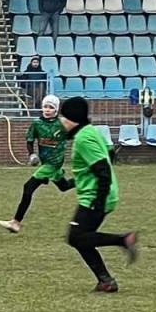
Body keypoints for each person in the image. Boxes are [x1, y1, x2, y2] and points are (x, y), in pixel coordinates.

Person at [59, 96, 138, 293]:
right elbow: (109, 154)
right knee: (81, 238)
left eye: (63, 117)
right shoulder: (91, 132)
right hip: (102, 193)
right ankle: (105, 281)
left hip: (97, 197)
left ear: (72, 119)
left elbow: (102, 168)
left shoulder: (83, 138)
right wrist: (70, 182)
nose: (61, 121)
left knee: (75, 237)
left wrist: (98, 200)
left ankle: (123, 240)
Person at [0, 94, 75, 233]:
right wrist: (32, 154)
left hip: (53, 163)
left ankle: (16, 222)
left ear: (56, 110)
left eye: (51, 107)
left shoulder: (62, 124)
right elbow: (29, 140)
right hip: (45, 162)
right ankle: (88, 178)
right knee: (64, 186)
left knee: (28, 187)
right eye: (45, 106)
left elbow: (77, 132)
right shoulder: (37, 123)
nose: (47, 109)